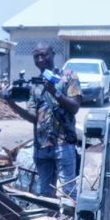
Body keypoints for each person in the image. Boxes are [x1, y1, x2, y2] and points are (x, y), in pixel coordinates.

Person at [23, 42, 81, 198]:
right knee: (46, 194)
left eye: (44, 55)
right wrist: (11, 104)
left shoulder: (68, 76)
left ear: (53, 54)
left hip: (64, 144)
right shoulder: (35, 84)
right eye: (37, 56)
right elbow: (33, 117)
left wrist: (55, 92)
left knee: (68, 192)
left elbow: (75, 107)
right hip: (42, 147)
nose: (41, 59)